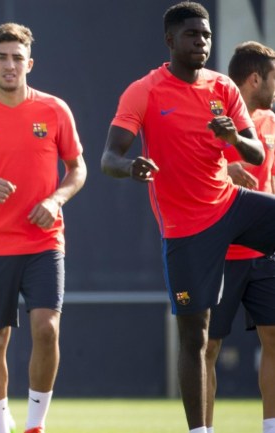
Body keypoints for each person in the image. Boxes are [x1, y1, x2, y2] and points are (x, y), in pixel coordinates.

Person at [100, 3, 275, 432]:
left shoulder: (222, 88)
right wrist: (131, 167)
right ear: (170, 41)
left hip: (229, 205)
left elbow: (253, 154)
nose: (202, 42)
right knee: (196, 338)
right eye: (193, 35)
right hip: (187, 230)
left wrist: (233, 136)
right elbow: (109, 157)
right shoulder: (144, 91)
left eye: (206, 35)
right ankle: (200, 431)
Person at [0, 23, 87, 433]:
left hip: (44, 241)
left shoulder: (54, 110)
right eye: (2, 57)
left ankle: (34, 426)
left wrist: (55, 199)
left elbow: (76, 169)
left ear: (30, 63)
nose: (10, 65)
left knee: (46, 329)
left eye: (17, 57)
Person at [204, 41, 275, 433]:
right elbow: (181, 168)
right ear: (254, 79)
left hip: (265, 252)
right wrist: (224, 170)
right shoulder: (209, 116)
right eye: (273, 79)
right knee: (208, 347)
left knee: (274, 339)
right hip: (220, 251)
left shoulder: (271, 122)